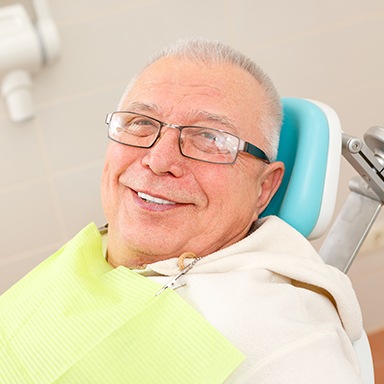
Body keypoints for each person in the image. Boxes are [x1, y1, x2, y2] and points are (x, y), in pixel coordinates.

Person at [0, 38, 363, 383]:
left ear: (264, 188)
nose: (158, 161)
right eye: (141, 123)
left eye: (210, 138)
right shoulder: (97, 249)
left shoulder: (284, 340)